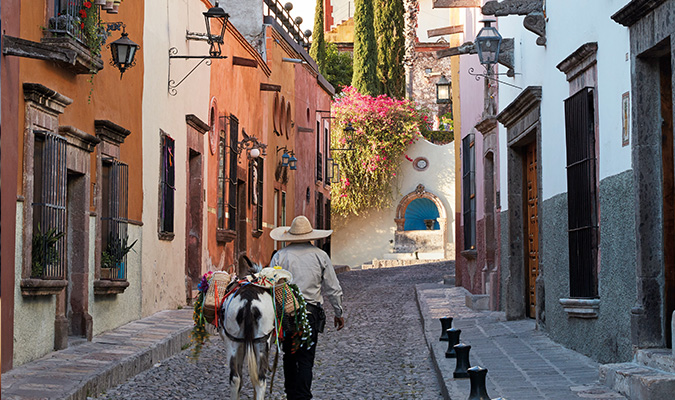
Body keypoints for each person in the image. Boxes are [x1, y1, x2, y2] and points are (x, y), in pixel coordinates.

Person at [269, 215, 345, 400]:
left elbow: (270, 285)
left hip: (286, 315)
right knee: (305, 359)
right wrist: (338, 312)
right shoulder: (320, 256)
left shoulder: (280, 256)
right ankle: (302, 396)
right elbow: (332, 288)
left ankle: (291, 395)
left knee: (289, 356)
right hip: (310, 314)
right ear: (310, 235)